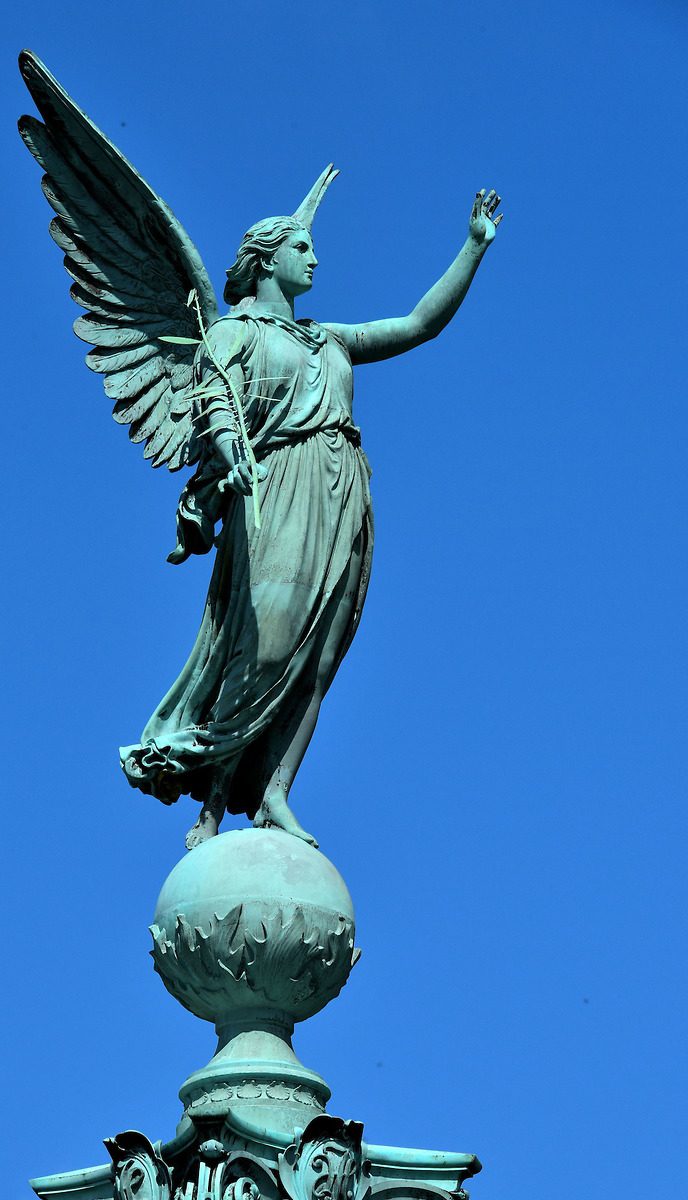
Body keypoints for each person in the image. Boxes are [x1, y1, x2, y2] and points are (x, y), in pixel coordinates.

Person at [121, 187, 503, 849]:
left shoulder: (330, 339)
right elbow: (213, 397)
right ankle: (211, 799)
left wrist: (472, 247)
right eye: (302, 247)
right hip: (277, 485)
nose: (314, 259)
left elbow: (417, 325)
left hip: (343, 488)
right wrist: (229, 447)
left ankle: (273, 794)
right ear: (265, 260)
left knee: (319, 658)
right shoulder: (231, 332)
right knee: (264, 643)